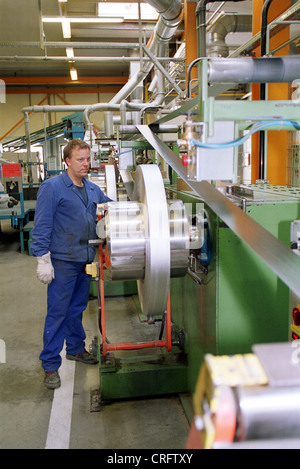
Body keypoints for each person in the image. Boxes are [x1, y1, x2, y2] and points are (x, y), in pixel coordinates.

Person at [31, 139, 112, 389]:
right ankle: (50, 365)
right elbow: (42, 224)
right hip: (63, 261)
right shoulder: (53, 187)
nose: (86, 163)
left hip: (86, 259)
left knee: (77, 308)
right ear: (67, 161)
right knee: (58, 312)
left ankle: (75, 349)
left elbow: (110, 207)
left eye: (88, 159)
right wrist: (42, 259)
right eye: (80, 159)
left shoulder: (91, 188)